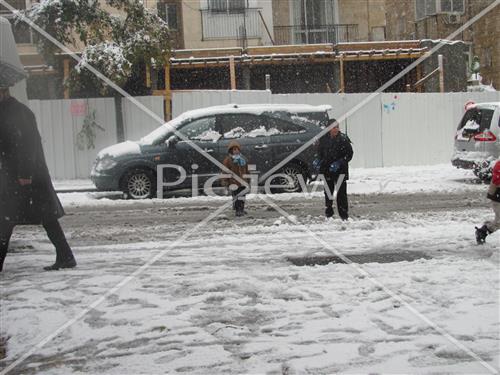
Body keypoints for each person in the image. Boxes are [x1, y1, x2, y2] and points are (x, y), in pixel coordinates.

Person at [0, 85, 76, 271]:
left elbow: (28, 144)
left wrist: (25, 174)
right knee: (42, 217)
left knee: (8, 218)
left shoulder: (19, 112)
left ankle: (66, 256)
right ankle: (66, 256)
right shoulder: (6, 111)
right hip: (14, 175)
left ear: (3, 91)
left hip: (27, 176)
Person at [315, 118, 354, 220]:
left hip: (340, 171)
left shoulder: (343, 139)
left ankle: (344, 216)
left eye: (337, 127)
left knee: (341, 194)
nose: (336, 129)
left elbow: (349, 154)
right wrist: (318, 160)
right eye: (333, 127)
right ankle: (329, 214)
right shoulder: (323, 139)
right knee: (328, 193)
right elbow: (319, 152)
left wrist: (340, 162)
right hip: (327, 170)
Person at [475, 160, 500, 244]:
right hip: (497, 196)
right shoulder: (499, 165)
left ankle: (483, 231)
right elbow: (497, 180)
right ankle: (483, 231)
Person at [222, 141, 250, 217]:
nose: (236, 151)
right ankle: (238, 210)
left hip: (243, 182)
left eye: (237, 149)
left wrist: (248, 179)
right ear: (231, 151)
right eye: (234, 149)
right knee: (237, 196)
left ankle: (242, 209)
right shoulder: (228, 160)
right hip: (233, 182)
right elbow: (225, 171)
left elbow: (247, 170)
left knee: (243, 196)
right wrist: (225, 181)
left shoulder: (243, 159)